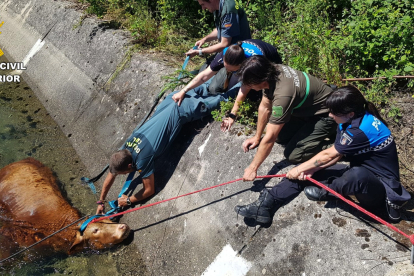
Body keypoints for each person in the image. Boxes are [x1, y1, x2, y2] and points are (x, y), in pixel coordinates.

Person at [234, 86, 410, 223]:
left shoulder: (360, 130)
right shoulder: (350, 121)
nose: (330, 115)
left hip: (378, 190)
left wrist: (305, 168)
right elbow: (336, 155)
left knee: (354, 174)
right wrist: (308, 170)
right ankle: (266, 204)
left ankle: (329, 191)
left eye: (334, 112)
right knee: (306, 170)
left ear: (350, 113)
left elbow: (328, 154)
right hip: (362, 174)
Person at [96, 84, 240, 215]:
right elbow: (112, 172)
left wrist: (128, 201)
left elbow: (149, 190)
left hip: (184, 108)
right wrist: (101, 201)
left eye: (125, 172)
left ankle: (246, 83)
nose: (123, 174)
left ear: (129, 165)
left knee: (224, 99)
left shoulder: (142, 160)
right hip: (172, 99)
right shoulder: (126, 147)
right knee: (208, 87)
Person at [238, 55, 336, 172]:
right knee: (281, 137)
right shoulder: (272, 70)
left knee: (293, 155)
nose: (248, 87)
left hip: (328, 114)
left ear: (261, 80)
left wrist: (253, 168)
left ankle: (337, 148)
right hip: (308, 109)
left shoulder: (283, 95)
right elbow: (265, 107)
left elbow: (270, 138)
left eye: (250, 84)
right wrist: (257, 137)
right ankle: (311, 135)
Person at [173, 39, 282, 125]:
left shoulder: (251, 64)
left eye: (231, 70)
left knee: (255, 93)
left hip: (271, 59)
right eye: (225, 67)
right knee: (222, 86)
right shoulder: (226, 54)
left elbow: (243, 90)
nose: (227, 71)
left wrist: (232, 115)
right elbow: (204, 76)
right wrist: (183, 90)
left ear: (241, 66)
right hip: (244, 56)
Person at [185, 0, 251, 59]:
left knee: (210, 70)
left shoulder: (228, 11)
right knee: (204, 68)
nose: (203, 8)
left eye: (203, 4)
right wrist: (204, 40)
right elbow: (222, 30)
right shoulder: (218, 7)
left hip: (238, 53)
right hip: (228, 49)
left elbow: (224, 44)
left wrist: (199, 51)